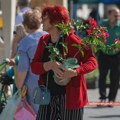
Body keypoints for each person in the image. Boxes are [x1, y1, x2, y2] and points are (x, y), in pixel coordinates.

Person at [31, 5, 97, 120]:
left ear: (56, 21)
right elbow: (34, 67)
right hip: (47, 96)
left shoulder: (73, 41)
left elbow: (92, 62)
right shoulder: (44, 41)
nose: (42, 21)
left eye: (45, 18)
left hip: (70, 98)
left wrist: (75, 72)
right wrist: (49, 65)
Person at [16, 9, 47, 113]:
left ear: (25, 25)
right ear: (40, 23)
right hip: (51, 82)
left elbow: (23, 68)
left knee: (36, 113)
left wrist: (19, 88)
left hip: (34, 84)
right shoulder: (49, 37)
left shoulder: (25, 42)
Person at [97, 7, 120, 105]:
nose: (118, 17)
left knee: (114, 77)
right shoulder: (103, 24)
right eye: (115, 15)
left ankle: (111, 99)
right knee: (102, 75)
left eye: (119, 15)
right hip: (103, 53)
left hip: (116, 54)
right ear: (109, 15)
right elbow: (97, 36)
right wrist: (96, 50)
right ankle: (102, 97)